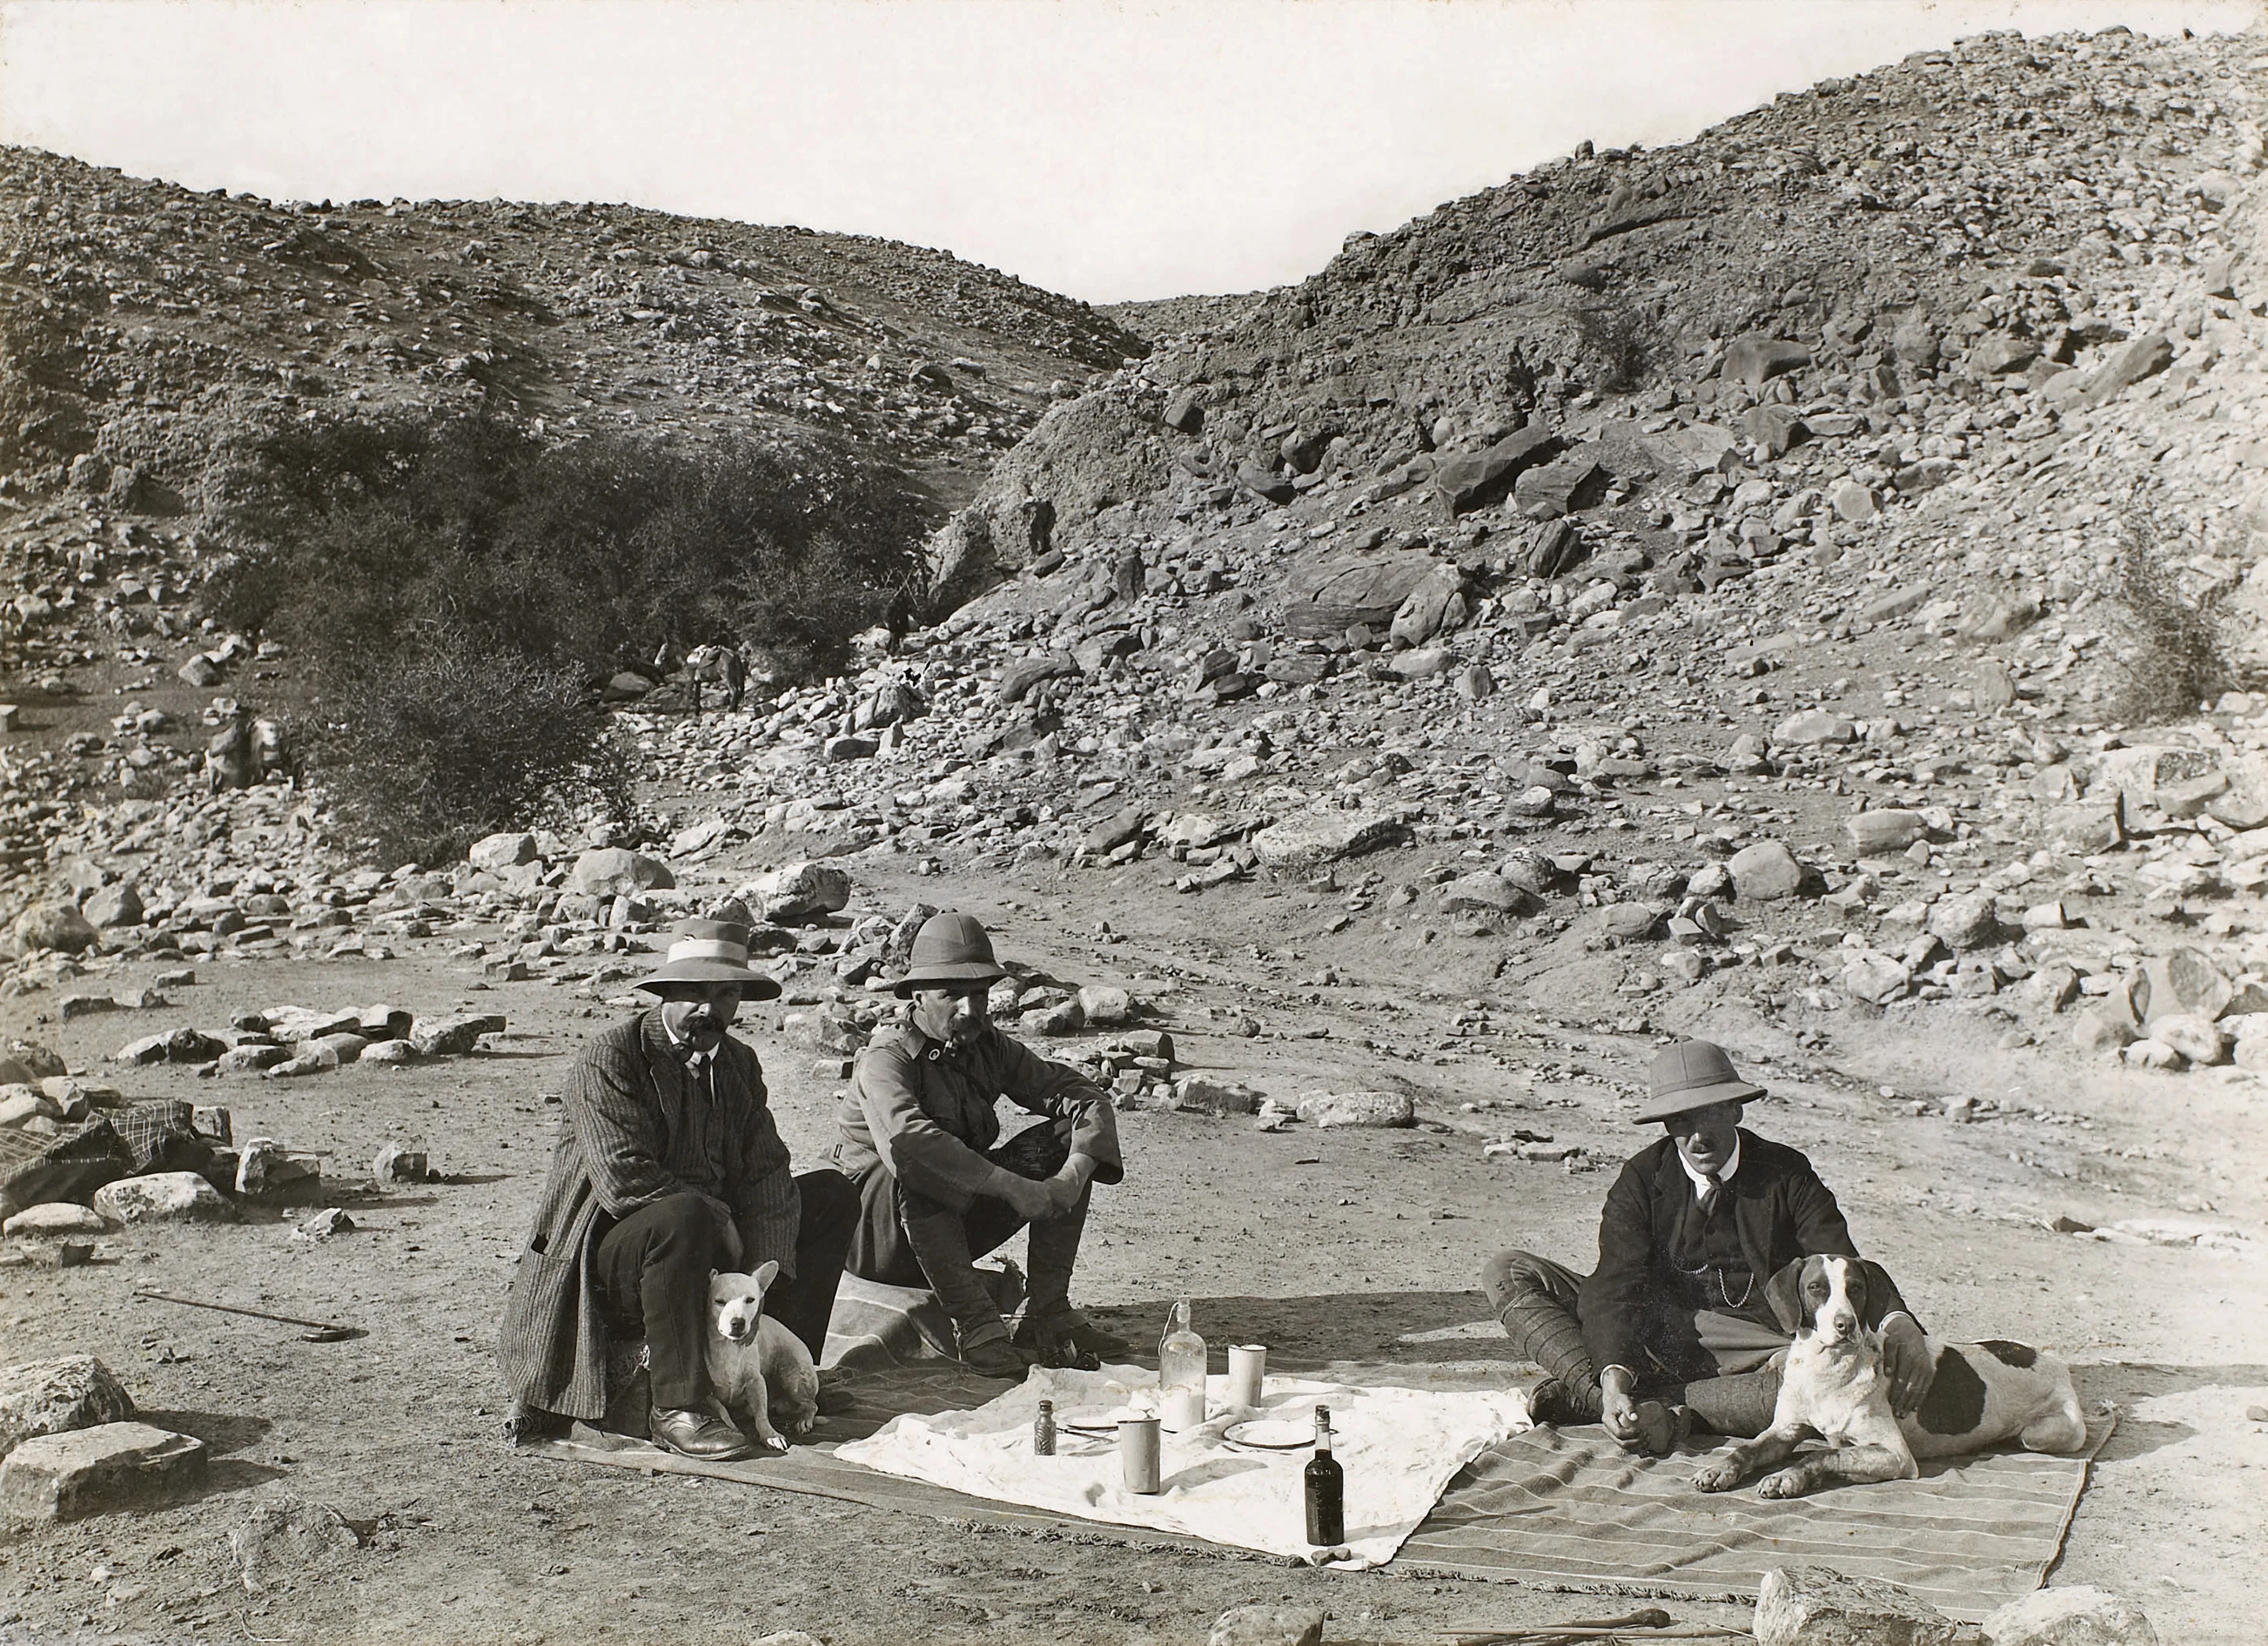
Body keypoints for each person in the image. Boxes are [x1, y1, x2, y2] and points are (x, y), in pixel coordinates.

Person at [499, 919, 858, 1461]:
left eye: (726, 993)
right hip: (613, 1259)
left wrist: (758, 1268)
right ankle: (678, 1404)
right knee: (684, 1212)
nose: (709, 1009)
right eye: (694, 992)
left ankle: (779, 1373)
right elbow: (624, 1179)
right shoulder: (611, 1057)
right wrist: (719, 1219)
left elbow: (767, 1169)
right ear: (665, 991)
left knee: (831, 1194)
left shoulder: (738, 1063)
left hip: (708, 1248)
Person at [1481, 1039, 1934, 1453]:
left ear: (1737, 1110)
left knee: (1813, 1388)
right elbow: (1615, 1285)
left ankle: (1627, 1404)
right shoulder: (1641, 1178)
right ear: (1665, 1124)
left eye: (1712, 1113)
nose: (1699, 1135)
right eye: (1681, 1120)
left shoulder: (1786, 1173)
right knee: (1509, 1269)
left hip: (1757, 1348)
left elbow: (1839, 1260)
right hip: (1652, 1333)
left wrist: (1898, 1320)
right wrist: (1614, 1379)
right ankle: (1608, 1400)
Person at [831, 912, 1127, 1378]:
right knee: (924, 1162)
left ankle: (1047, 1314)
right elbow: (910, 1146)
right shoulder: (886, 1058)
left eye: (980, 994)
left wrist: (1071, 1175)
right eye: (952, 994)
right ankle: (976, 1325)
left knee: (1066, 1138)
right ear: (917, 995)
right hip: (874, 1236)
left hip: (948, 1225)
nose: (970, 1008)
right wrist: (1012, 1186)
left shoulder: (986, 1045)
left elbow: (1080, 1093)